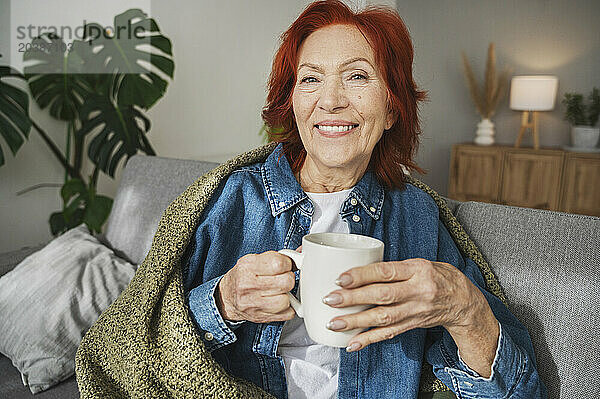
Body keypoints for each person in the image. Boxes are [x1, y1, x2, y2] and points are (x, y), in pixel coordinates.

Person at [182, 1, 547, 398]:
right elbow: (147, 342)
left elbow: (518, 392)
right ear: (292, 104)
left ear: (392, 109)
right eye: (310, 80)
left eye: (356, 76)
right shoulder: (232, 200)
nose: (331, 100)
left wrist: (465, 309)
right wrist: (223, 303)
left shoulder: (415, 216)